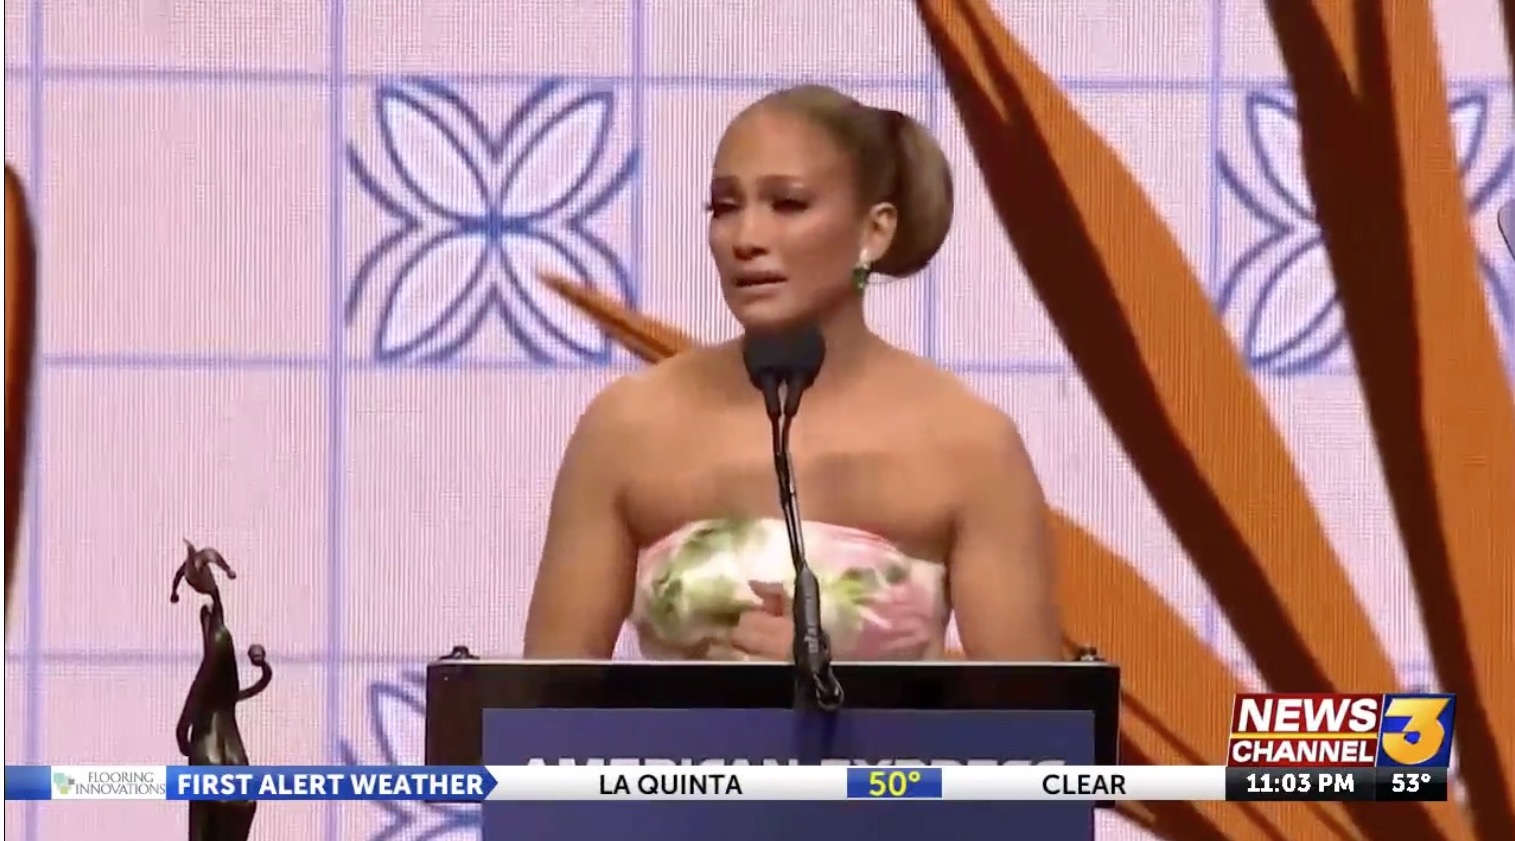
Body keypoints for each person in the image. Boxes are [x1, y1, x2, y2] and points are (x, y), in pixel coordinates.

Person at [523, 85, 1059, 662]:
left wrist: (845, 694)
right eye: (725, 208)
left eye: (788, 204)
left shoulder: (972, 445)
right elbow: (542, 701)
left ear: (875, 231)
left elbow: (1034, 714)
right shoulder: (626, 427)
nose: (746, 239)